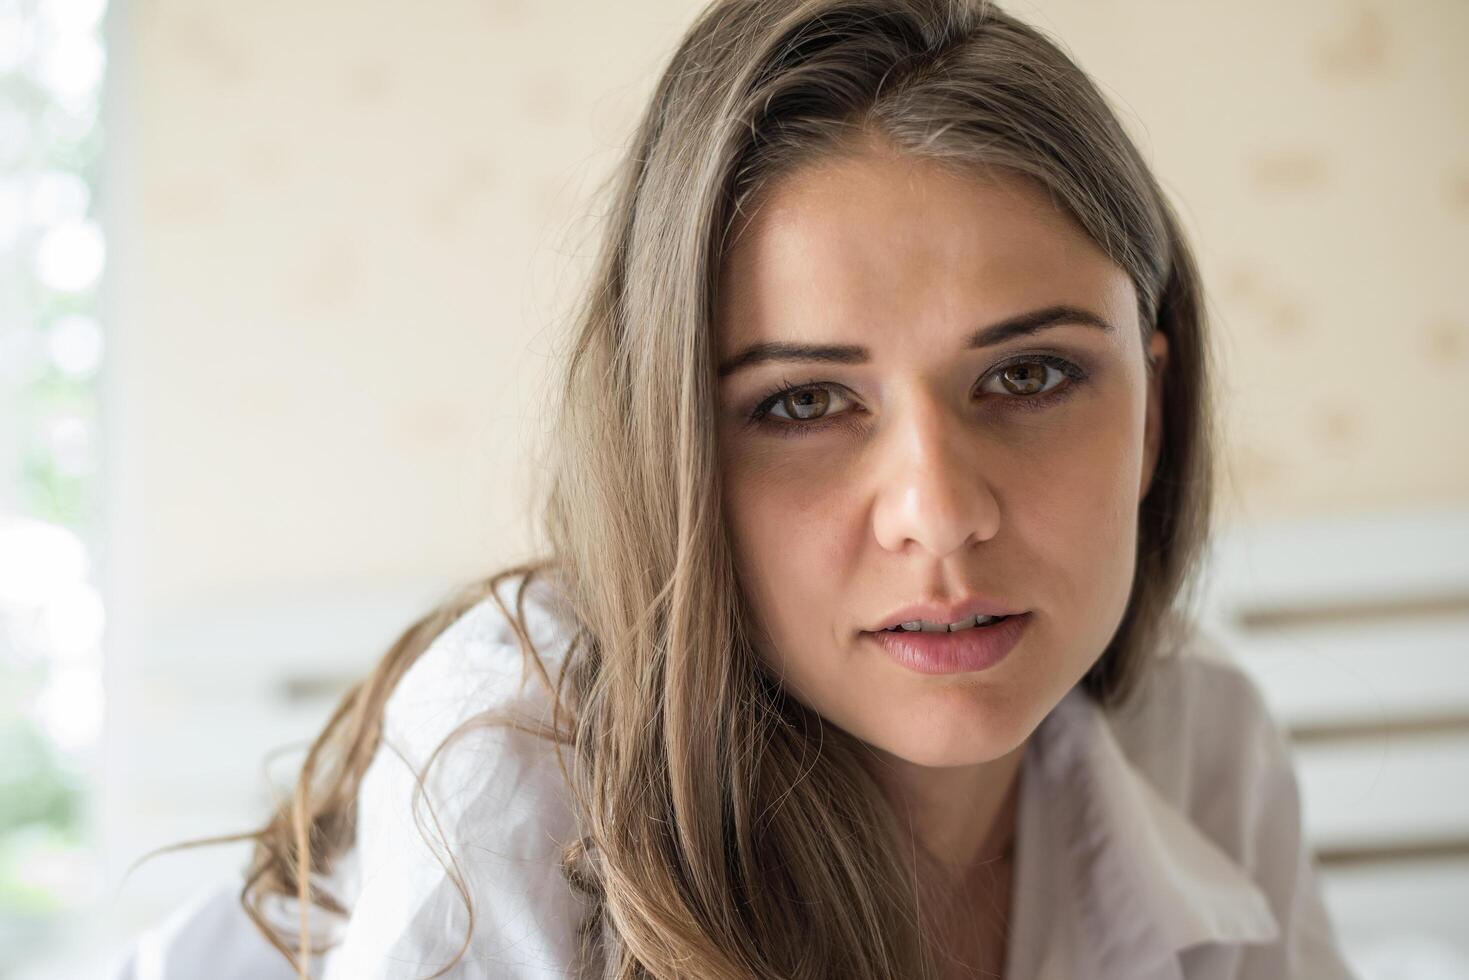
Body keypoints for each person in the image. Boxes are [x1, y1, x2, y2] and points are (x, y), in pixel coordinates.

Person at [107, 0, 1361, 977]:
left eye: (1028, 374)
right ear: (674, 454)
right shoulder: (506, 769)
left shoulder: (1204, 747)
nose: (937, 510)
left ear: (1150, 411)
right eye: (803, 403)